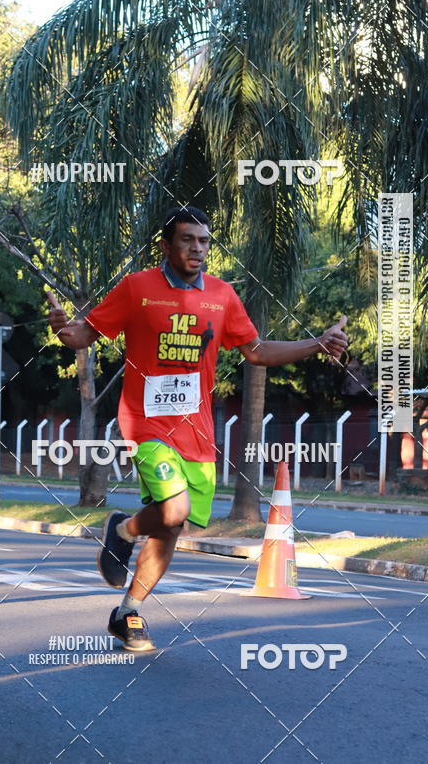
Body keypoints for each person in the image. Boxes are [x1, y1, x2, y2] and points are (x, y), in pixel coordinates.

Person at [47, 206, 348, 651]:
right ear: (166, 246)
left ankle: (127, 610)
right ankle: (125, 531)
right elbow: (82, 336)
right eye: (187, 240)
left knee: (174, 525)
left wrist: (316, 343)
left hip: (198, 433)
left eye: (204, 241)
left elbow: (257, 351)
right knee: (173, 508)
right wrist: (61, 329)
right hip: (146, 423)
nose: (197, 249)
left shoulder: (222, 296)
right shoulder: (137, 289)